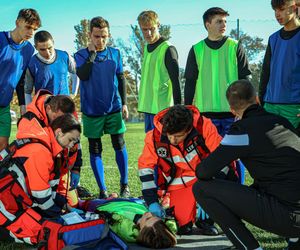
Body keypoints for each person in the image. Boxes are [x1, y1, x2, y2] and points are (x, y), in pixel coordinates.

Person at [193, 79, 300, 250]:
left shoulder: (241, 131)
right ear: (257, 99)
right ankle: (295, 242)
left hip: (288, 217)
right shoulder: (281, 121)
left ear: (232, 110)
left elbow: (203, 172)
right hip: (291, 206)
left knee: (201, 188)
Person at [138, 105, 237, 235]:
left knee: (207, 217)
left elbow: (222, 160)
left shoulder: (204, 126)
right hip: (180, 182)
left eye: (178, 136)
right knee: (182, 227)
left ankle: (207, 221)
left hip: (206, 178)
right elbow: (145, 168)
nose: (173, 140)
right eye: (170, 135)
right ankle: (188, 219)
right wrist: (152, 202)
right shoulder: (153, 137)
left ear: (189, 129)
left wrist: (211, 193)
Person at [184, 7, 251, 185]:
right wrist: (187, 109)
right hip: (206, 117)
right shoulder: (196, 49)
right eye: (219, 21)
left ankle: (240, 190)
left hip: (233, 114)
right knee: (209, 156)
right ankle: (215, 192)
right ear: (208, 25)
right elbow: (190, 82)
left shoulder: (235, 46)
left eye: (225, 21)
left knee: (237, 155)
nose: (223, 25)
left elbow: (246, 80)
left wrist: (246, 108)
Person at [0, 113, 81, 244]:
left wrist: (65, 205)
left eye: (75, 141)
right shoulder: (40, 151)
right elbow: (42, 197)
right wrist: (59, 214)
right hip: (7, 204)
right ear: (59, 132)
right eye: (71, 139)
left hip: (15, 200)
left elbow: (48, 190)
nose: (72, 145)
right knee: (45, 233)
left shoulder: (46, 144)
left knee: (49, 225)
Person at [74, 16, 130, 199]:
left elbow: (121, 78)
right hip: (92, 111)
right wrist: (91, 55)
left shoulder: (115, 53)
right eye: (97, 36)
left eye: (104, 36)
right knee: (95, 149)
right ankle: (103, 190)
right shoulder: (80, 55)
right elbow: (82, 75)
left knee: (119, 145)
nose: (100, 40)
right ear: (90, 35)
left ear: (108, 34)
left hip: (114, 107)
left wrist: (125, 103)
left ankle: (125, 185)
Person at [0, 8, 41, 151]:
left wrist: (23, 106)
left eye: (34, 29)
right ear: (17, 22)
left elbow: (21, 79)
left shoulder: (28, 49)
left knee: (3, 147)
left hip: (4, 106)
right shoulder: (0, 39)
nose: (31, 32)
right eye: (28, 27)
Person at [137, 10, 181, 133]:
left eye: (152, 28)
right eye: (144, 30)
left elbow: (176, 82)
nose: (148, 33)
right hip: (149, 110)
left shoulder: (168, 49)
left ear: (158, 25)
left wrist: (178, 110)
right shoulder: (146, 48)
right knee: (151, 148)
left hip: (164, 111)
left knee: (164, 149)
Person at [259, 0, 300, 132]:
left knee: (293, 151)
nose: (277, 14)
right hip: (270, 106)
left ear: (293, 8)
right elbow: (265, 73)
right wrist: (261, 101)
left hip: (294, 108)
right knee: (271, 151)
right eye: (275, 10)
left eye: (281, 9)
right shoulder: (273, 38)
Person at [81, 198, 177, 249]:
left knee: (85, 203)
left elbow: (115, 217)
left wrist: (136, 219)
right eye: (154, 217)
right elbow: (171, 226)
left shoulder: (128, 231)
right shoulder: (159, 230)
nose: (149, 213)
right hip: (133, 204)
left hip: (108, 205)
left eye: (148, 219)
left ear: (142, 230)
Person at [24, 30, 79, 104]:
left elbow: (76, 73)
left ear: (53, 42)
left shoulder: (65, 56)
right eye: (42, 49)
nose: (47, 53)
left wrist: (74, 93)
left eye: (49, 48)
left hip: (65, 106)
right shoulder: (31, 64)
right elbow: (27, 92)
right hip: (44, 108)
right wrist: (30, 111)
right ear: (36, 47)